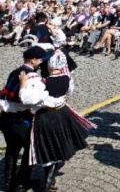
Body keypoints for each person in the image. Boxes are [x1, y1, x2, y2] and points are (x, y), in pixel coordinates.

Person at [18, 52, 96, 192]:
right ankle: (50, 178)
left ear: (49, 65)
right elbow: (69, 92)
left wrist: (23, 85)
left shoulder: (42, 82)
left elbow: (27, 99)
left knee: (46, 145)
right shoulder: (68, 78)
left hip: (46, 116)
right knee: (59, 141)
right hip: (62, 113)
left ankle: (47, 180)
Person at [0, 46, 46, 192]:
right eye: (39, 59)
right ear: (32, 60)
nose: (40, 62)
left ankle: (8, 182)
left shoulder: (15, 71)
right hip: (21, 119)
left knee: (12, 149)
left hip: (5, 117)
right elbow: (30, 100)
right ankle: (22, 182)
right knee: (30, 150)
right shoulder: (32, 76)